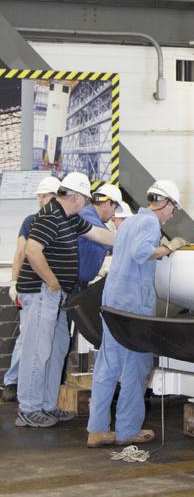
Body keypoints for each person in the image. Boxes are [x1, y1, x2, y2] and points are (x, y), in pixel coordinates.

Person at [14, 173, 115, 429]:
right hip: (41, 293)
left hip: (57, 297)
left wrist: (131, 240)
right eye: (86, 200)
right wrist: (51, 281)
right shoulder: (50, 216)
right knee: (37, 351)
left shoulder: (70, 218)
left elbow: (98, 235)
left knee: (56, 349)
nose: (87, 205)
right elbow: (32, 251)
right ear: (77, 198)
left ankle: (47, 405)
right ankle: (28, 408)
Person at [86, 179, 181, 449]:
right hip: (133, 307)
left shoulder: (128, 223)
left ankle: (97, 430)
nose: (172, 214)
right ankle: (127, 430)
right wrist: (169, 248)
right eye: (173, 208)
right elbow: (142, 253)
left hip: (113, 301)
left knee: (108, 365)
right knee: (135, 366)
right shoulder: (150, 223)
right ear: (164, 203)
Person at [3, 175, 61, 402]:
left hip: (53, 292)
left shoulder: (64, 223)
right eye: (39, 196)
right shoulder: (31, 221)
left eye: (44, 196)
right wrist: (14, 282)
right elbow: (20, 252)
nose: (40, 200)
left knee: (44, 342)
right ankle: (12, 381)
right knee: (28, 336)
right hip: (33, 289)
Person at [76, 182, 122, 289]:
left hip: (80, 284)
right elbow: (108, 239)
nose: (113, 214)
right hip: (73, 285)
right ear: (107, 203)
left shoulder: (95, 219)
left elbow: (114, 247)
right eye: (114, 208)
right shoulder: (86, 215)